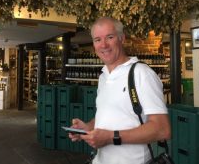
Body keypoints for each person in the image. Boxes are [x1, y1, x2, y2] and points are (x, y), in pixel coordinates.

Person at [69, 17, 171, 164]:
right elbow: (108, 115)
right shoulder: (104, 76)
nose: (103, 45)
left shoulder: (141, 73)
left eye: (109, 37)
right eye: (98, 40)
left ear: (121, 38)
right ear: (94, 44)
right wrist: (87, 128)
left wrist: (110, 137)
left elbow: (162, 129)